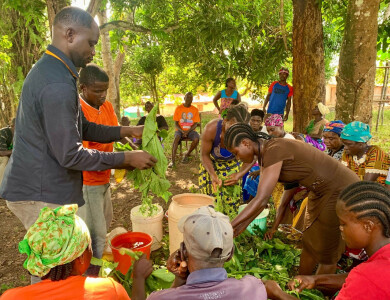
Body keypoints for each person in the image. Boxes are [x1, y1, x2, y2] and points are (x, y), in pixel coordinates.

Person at [0, 7, 157, 282]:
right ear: (69, 34)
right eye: (91, 43)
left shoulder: (56, 71)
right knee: (54, 269)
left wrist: (126, 130)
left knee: (63, 266)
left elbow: (80, 127)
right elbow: (70, 154)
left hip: (42, 185)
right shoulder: (56, 83)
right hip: (39, 192)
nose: (94, 52)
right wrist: (125, 159)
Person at [224, 123, 360, 275]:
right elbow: (261, 200)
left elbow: (261, 200)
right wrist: (242, 225)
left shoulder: (274, 149)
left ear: (246, 143)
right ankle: (301, 283)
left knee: (327, 250)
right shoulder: (265, 153)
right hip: (318, 191)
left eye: (236, 153)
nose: (238, 158)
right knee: (309, 242)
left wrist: (227, 227)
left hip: (339, 188)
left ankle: (320, 292)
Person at [265, 181, 390, 300]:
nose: (340, 228)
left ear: (368, 226)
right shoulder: (380, 261)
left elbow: (364, 279)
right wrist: (316, 280)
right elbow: (357, 278)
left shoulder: (367, 277)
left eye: (344, 224)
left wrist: (278, 294)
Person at [1, 204, 153, 300]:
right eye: (89, 246)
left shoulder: (11, 297)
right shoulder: (108, 290)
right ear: (80, 258)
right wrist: (138, 278)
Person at [147, 206, 267, 300]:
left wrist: (178, 281)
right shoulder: (253, 289)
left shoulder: (159, 298)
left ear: (183, 252)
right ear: (230, 254)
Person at [78, 64, 119, 274]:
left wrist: (135, 145)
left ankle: (97, 271)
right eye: (97, 91)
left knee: (104, 222)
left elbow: (115, 133)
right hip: (87, 182)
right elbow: (85, 157)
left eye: (105, 90)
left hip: (104, 178)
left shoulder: (107, 107)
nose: (103, 96)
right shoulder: (77, 112)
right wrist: (123, 160)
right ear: (83, 88)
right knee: (95, 234)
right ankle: (91, 278)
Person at [199, 104, 253, 217]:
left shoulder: (246, 133)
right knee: (211, 203)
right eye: (232, 127)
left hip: (232, 167)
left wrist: (239, 174)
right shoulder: (211, 129)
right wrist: (213, 175)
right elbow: (204, 155)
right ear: (225, 120)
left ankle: (229, 227)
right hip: (211, 165)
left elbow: (252, 157)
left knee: (231, 202)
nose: (235, 132)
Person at [340, 121, 390, 185]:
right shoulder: (348, 153)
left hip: (376, 193)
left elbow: (367, 183)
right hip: (354, 191)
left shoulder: (376, 153)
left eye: (349, 144)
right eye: (344, 144)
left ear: (360, 144)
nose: (345, 148)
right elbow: (344, 176)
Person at [171, 92, 200, 166]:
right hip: (180, 130)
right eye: (187, 97)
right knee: (176, 138)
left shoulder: (195, 109)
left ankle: (187, 155)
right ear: (184, 98)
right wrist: (182, 131)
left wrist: (187, 131)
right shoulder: (178, 108)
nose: (189, 99)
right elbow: (176, 123)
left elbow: (195, 124)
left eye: (191, 98)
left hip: (191, 130)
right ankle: (172, 161)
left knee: (196, 139)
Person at [0, 118, 15, 184]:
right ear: (12, 125)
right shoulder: (4, 132)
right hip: (2, 155)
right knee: (5, 160)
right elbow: (2, 152)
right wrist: (16, 150)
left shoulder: (18, 136)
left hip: (6, 155)